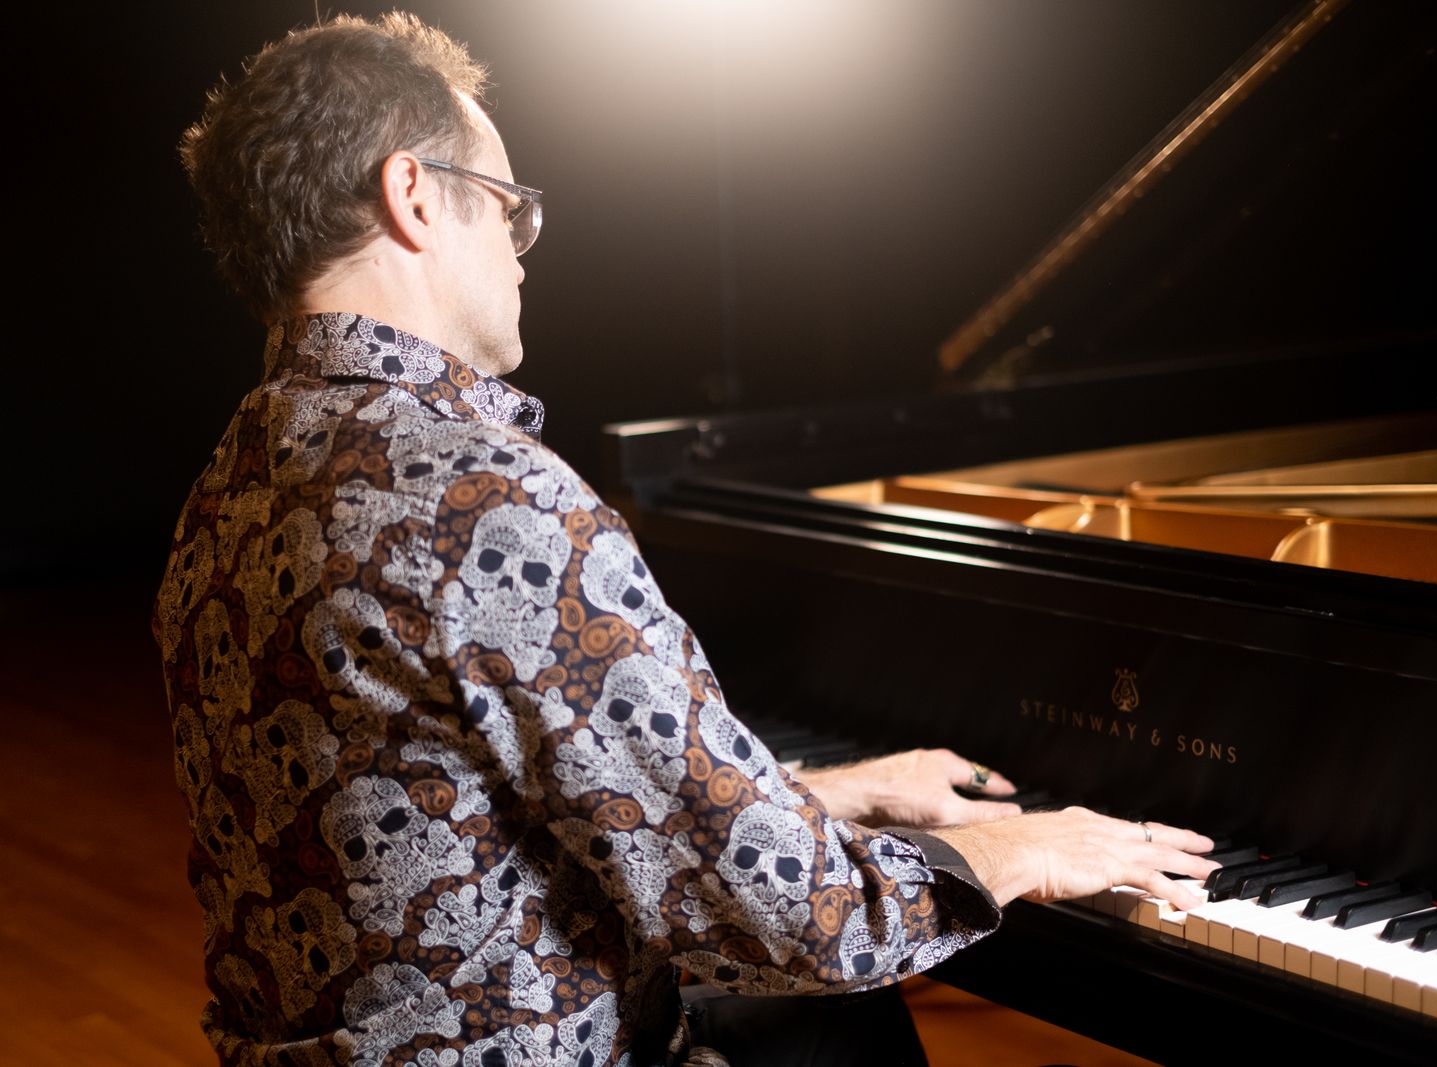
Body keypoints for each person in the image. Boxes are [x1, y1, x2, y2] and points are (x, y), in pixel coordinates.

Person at [155, 14, 1217, 1066]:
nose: (521, 256)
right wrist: (1023, 845)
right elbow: (812, 923)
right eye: (509, 208)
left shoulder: (231, 486)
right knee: (829, 1015)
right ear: (415, 194)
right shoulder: (480, 498)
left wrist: (836, 791)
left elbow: (474, 813)